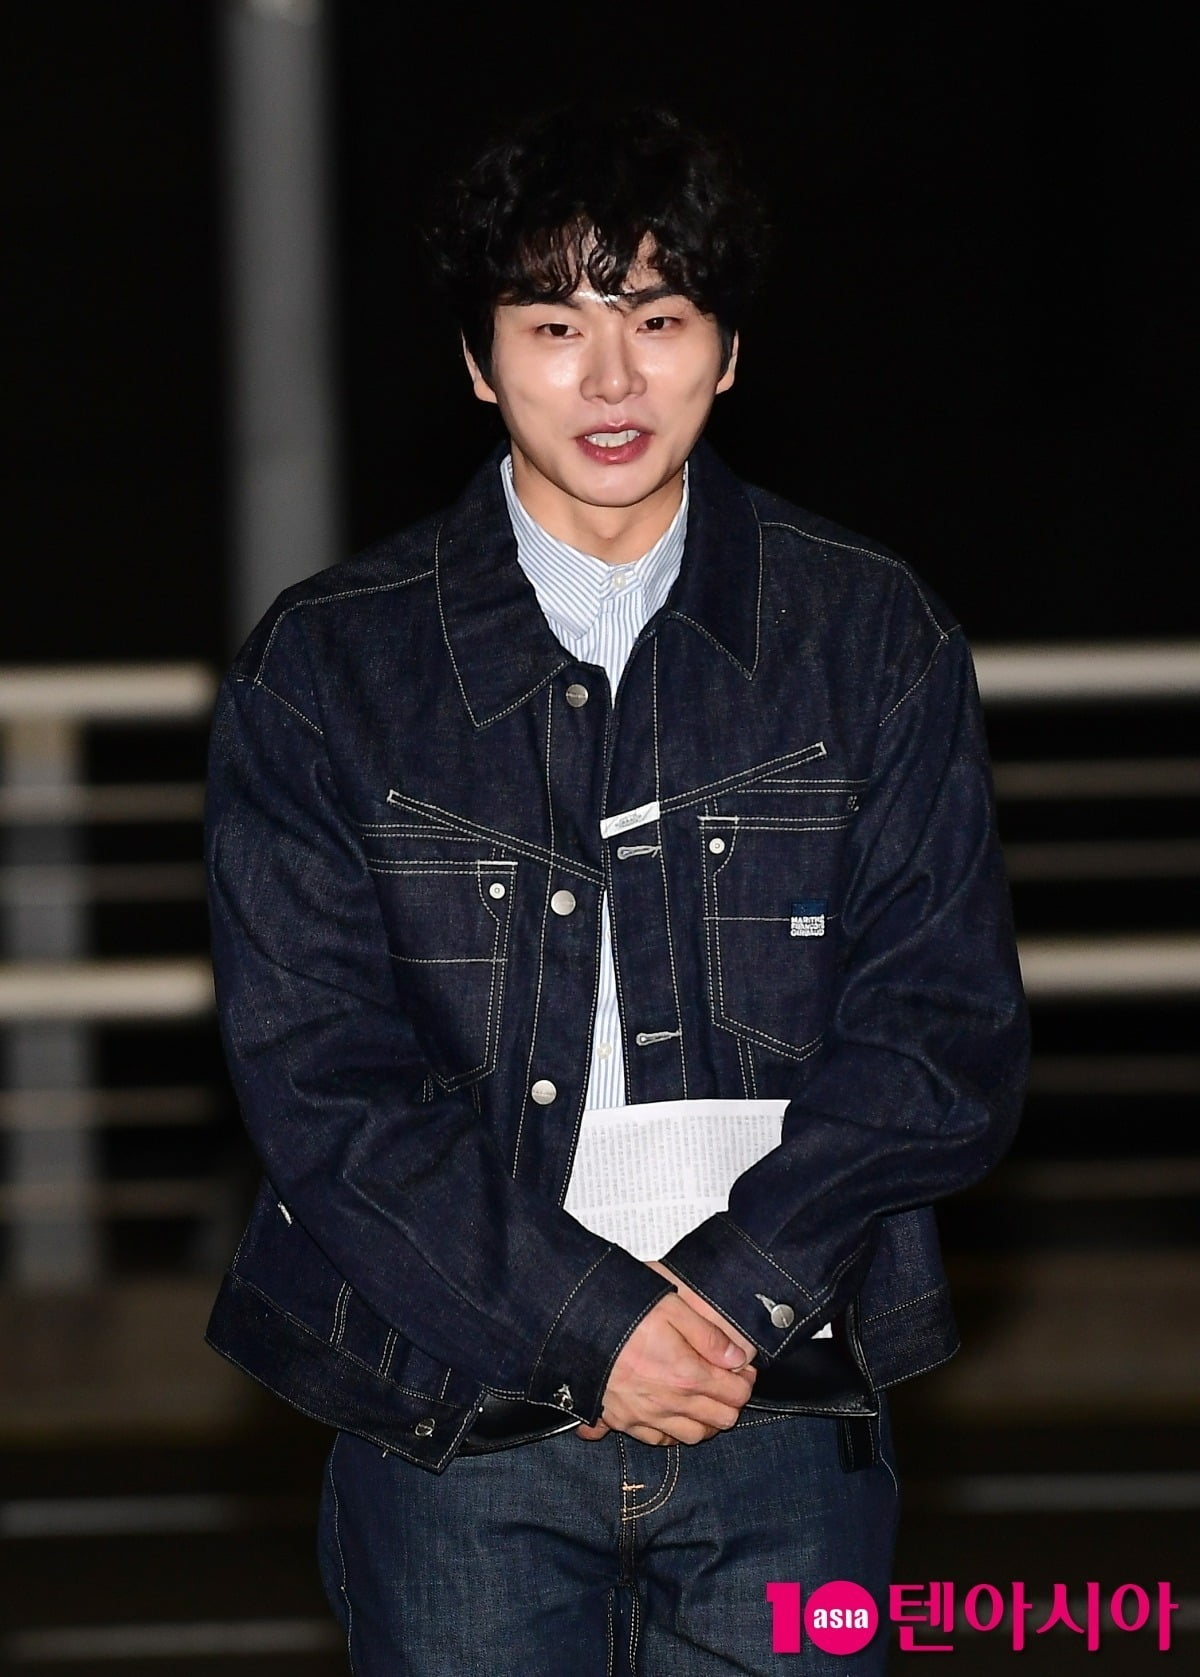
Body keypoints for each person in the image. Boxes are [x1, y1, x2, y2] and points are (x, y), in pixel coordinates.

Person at [204, 104, 1028, 1676]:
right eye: (553, 324)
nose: (609, 378)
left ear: (727, 350)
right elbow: (319, 1079)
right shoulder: (329, 668)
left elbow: (942, 1029)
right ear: (477, 361)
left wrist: (724, 1298)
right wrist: (594, 1320)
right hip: (454, 1421)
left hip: (779, 1400)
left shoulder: (869, 635)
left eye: (657, 320)